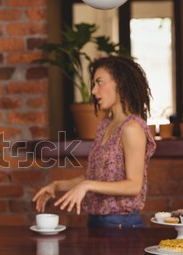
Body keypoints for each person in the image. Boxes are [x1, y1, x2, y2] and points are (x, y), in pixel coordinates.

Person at [33, 56, 156, 228]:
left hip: (121, 224)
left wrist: (87, 185)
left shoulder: (132, 128)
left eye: (99, 82)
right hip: (96, 221)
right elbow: (94, 177)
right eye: (93, 84)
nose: (93, 91)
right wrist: (56, 185)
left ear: (119, 83)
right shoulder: (104, 126)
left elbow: (134, 185)